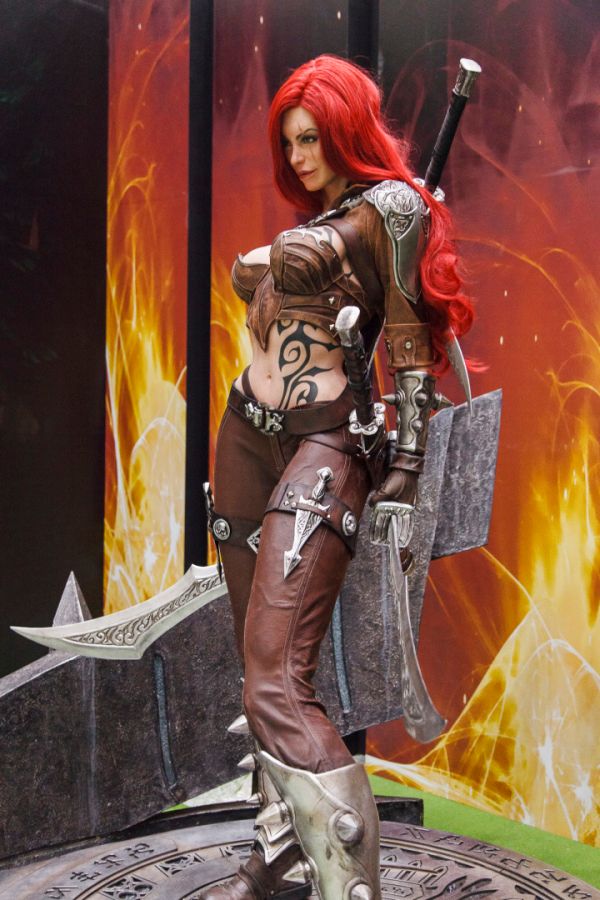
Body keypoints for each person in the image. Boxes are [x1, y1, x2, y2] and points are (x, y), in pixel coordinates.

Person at [202, 55, 473, 900]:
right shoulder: (334, 217)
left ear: (346, 130)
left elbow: (410, 345)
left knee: (278, 679)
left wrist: (410, 460)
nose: (299, 155)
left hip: (327, 443)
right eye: (289, 141)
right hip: (244, 438)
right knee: (254, 671)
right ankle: (280, 852)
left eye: (313, 137)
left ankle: (349, 883)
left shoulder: (390, 211)